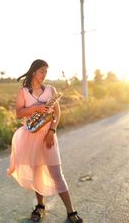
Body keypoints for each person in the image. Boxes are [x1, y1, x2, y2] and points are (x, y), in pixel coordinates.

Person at [7, 59, 84, 223]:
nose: (44, 74)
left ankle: (71, 211)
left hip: (48, 136)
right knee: (37, 172)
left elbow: (57, 113)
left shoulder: (51, 90)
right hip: (31, 135)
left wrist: (52, 130)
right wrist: (36, 108)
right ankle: (40, 206)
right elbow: (19, 113)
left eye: (46, 72)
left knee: (57, 174)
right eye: (42, 71)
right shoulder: (23, 92)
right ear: (34, 71)